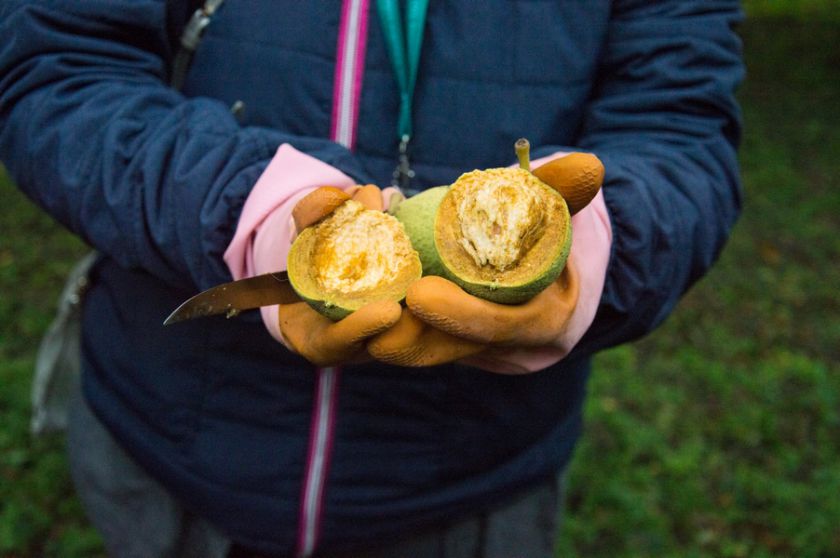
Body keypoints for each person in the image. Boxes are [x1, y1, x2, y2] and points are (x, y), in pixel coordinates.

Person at [0, 1, 745, 556]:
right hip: (169, 458)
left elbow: (680, 127)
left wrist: (600, 252)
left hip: (475, 493)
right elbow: (59, 70)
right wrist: (240, 208)